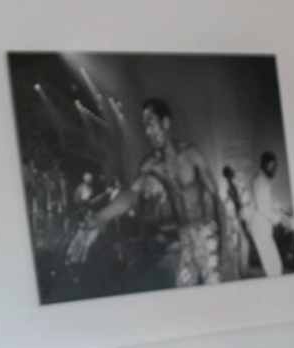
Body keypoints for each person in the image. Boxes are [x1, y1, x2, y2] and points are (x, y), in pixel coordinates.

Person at [66, 96, 224, 286]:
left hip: (205, 230)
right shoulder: (152, 164)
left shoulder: (191, 153)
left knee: (214, 286)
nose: (147, 132)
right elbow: (131, 194)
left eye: (151, 124)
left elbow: (215, 196)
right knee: (184, 288)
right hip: (184, 235)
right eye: (145, 127)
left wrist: (224, 238)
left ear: (165, 123)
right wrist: (100, 217)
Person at [246, 152, 290, 277]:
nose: (274, 170)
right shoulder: (260, 179)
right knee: (274, 267)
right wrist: (280, 218)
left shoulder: (259, 179)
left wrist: (280, 212)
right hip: (260, 228)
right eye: (273, 166)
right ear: (268, 164)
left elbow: (264, 205)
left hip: (261, 228)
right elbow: (262, 206)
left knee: (273, 266)